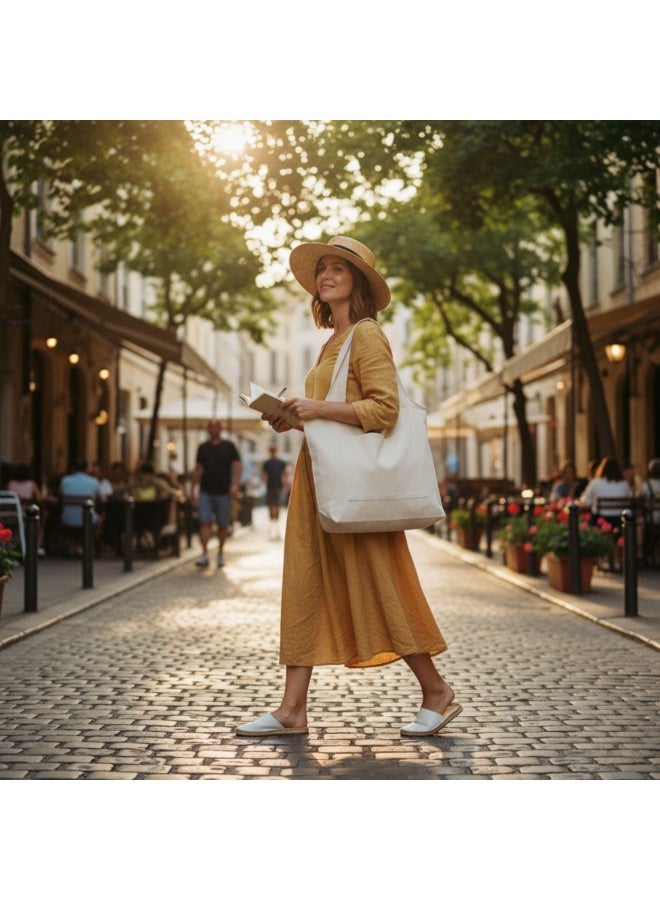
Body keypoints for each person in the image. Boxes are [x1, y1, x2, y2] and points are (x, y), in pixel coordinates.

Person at [236, 235, 460, 738]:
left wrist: (316, 409)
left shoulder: (366, 335)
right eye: (322, 270)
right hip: (319, 480)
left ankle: (436, 691)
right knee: (306, 583)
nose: (326, 275)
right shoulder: (331, 343)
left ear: (358, 281)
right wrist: (291, 418)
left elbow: (385, 410)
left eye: (338, 268)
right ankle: (292, 708)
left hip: (352, 487)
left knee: (381, 582)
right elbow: (335, 415)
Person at [191, 419, 242, 568]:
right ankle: (204, 554)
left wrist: (235, 485)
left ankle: (220, 553)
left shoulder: (229, 446)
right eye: (210, 427)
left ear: (220, 428)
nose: (213, 429)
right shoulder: (203, 447)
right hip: (205, 491)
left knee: (222, 525)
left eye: (216, 426)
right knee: (204, 522)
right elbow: (197, 469)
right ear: (208, 429)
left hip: (223, 492)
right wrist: (193, 490)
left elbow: (238, 466)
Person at [7, 463, 46, 556]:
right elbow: (40, 498)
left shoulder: (10, 484)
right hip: (25, 514)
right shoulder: (31, 484)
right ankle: (36, 547)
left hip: (11, 513)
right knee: (39, 521)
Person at [262, 444, 287, 539]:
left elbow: (284, 474)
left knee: (275, 507)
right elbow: (264, 475)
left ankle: (275, 526)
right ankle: (274, 527)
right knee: (273, 507)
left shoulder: (275, 463)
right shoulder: (270, 463)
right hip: (273, 487)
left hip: (276, 487)